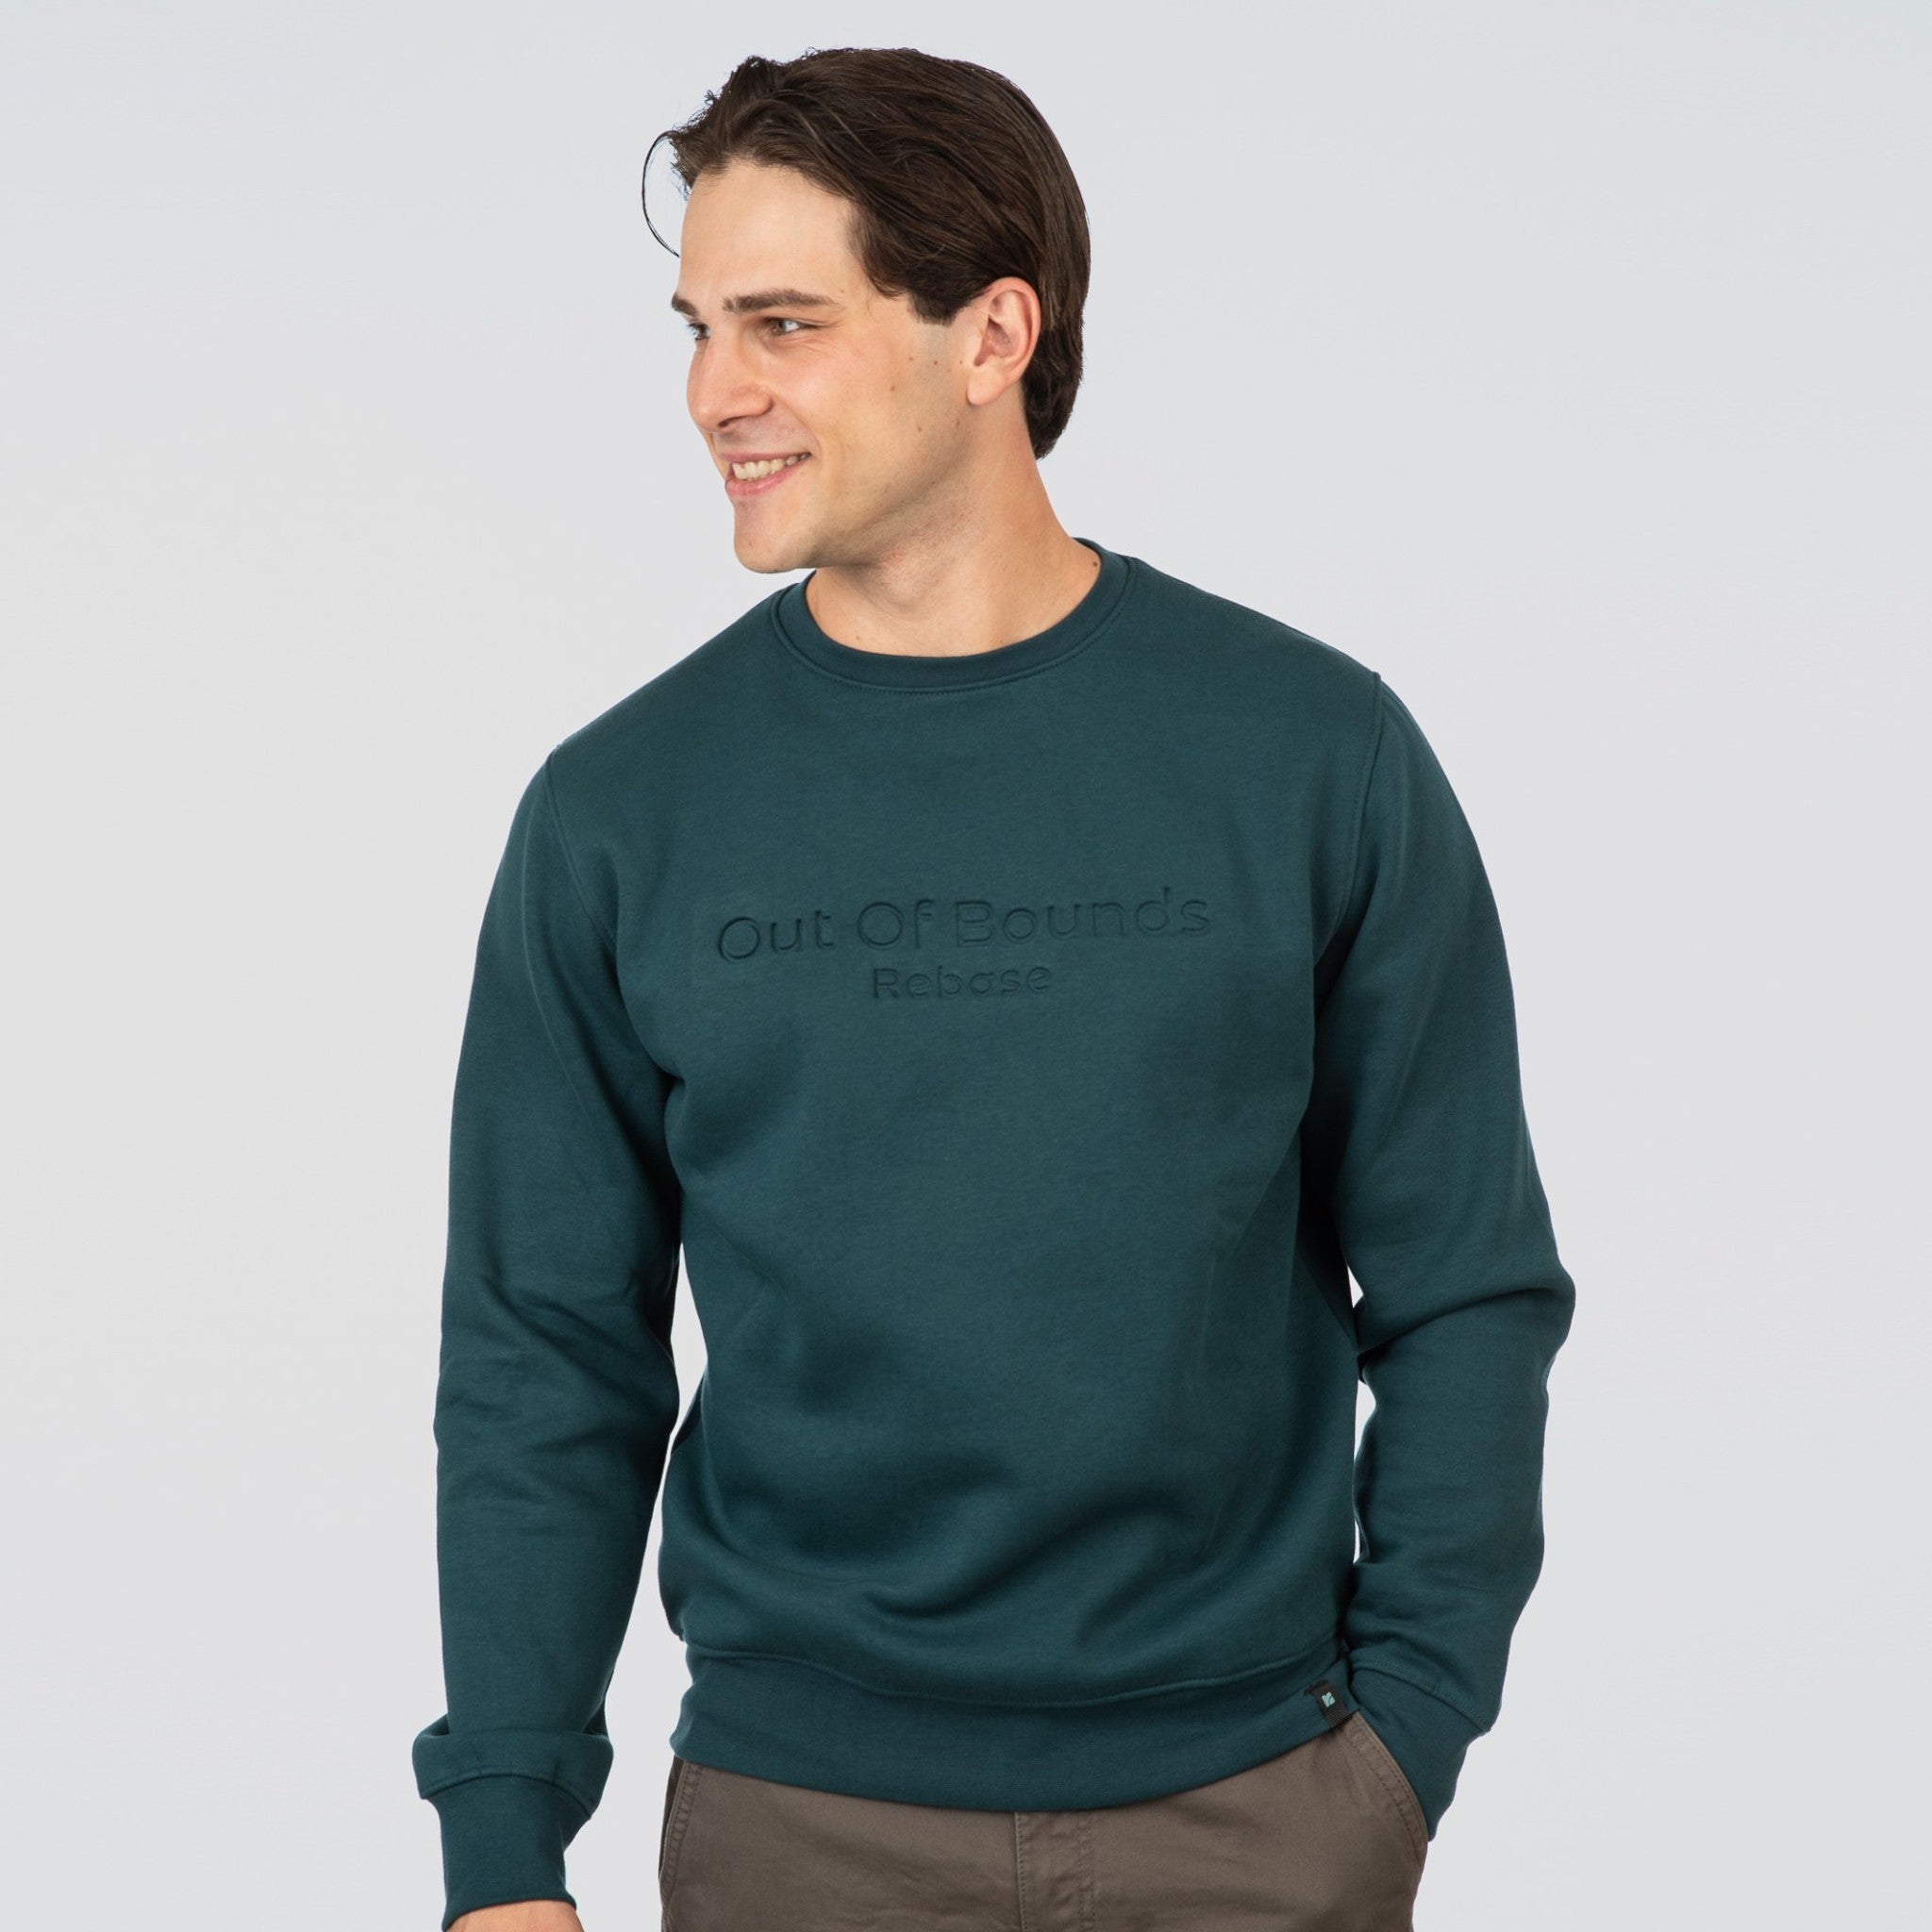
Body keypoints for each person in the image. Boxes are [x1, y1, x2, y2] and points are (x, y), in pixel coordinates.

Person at [409, 44, 1575, 1932]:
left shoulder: (1307, 757)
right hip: (796, 1830)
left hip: (1259, 1817)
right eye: (699, 328)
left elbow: (1464, 1288)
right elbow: (545, 1355)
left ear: (991, 334)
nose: (716, 391)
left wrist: (1403, 1744)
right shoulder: (622, 811)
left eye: (782, 323)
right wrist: (502, 1844)